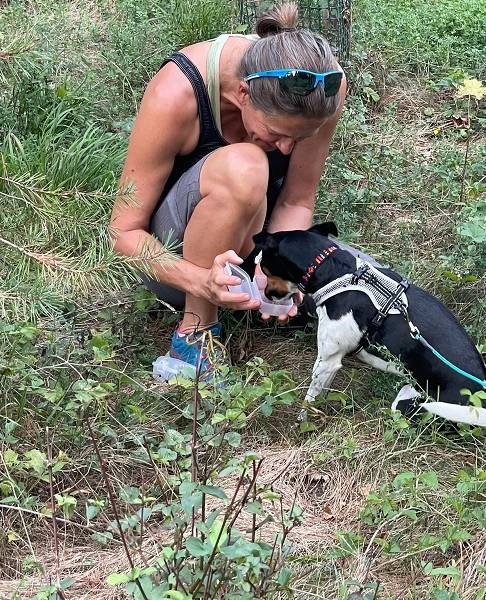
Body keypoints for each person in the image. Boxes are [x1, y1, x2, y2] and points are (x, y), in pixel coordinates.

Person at [110, 3, 346, 380]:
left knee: (358, 281)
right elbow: (121, 234)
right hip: (173, 260)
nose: (287, 150)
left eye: (299, 138)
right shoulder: (177, 94)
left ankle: (251, 289)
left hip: (248, 245)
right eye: (276, 134)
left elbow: (297, 199)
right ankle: (195, 334)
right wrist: (200, 281)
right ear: (243, 93)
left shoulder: (322, 88)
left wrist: (276, 274)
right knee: (249, 165)